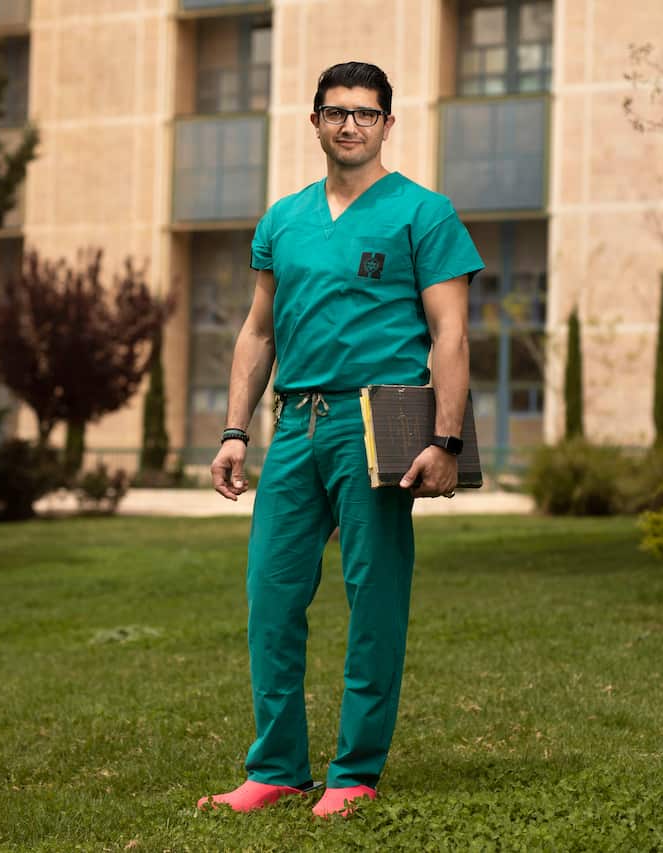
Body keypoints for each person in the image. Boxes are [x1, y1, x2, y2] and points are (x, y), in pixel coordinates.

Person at [198, 61, 483, 819]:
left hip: (378, 422)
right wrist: (234, 431)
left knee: (374, 596)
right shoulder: (283, 220)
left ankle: (354, 771)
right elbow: (258, 331)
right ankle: (278, 767)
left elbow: (451, 332)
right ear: (315, 120)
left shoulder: (424, 214)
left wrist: (446, 440)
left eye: (365, 112)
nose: (349, 124)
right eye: (335, 111)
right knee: (272, 596)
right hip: (295, 423)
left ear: (388, 123)